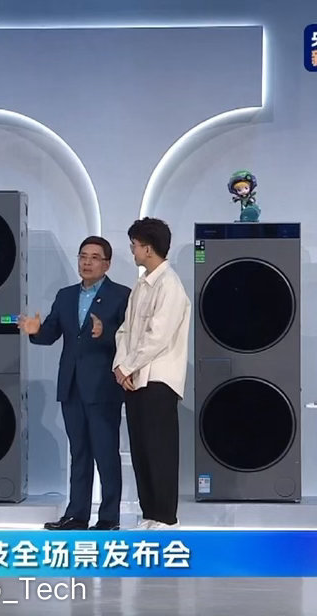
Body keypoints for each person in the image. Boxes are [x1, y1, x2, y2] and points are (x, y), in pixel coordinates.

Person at [19, 237, 131, 531]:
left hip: (103, 387)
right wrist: (35, 331)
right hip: (71, 386)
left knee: (105, 454)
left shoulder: (121, 295)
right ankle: (77, 515)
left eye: (94, 257)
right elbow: (50, 334)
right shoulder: (66, 296)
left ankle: (109, 517)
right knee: (79, 453)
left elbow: (130, 340)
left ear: (107, 264)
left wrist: (105, 333)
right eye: (83, 256)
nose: (87, 262)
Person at [112, 217, 190, 530]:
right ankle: (150, 514)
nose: (132, 250)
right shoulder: (141, 284)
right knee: (141, 449)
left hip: (158, 380)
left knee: (160, 450)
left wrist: (128, 366)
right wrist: (120, 366)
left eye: (134, 245)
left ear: (148, 248)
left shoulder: (170, 285)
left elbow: (158, 336)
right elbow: (125, 330)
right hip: (134, 379)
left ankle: (167, 518)